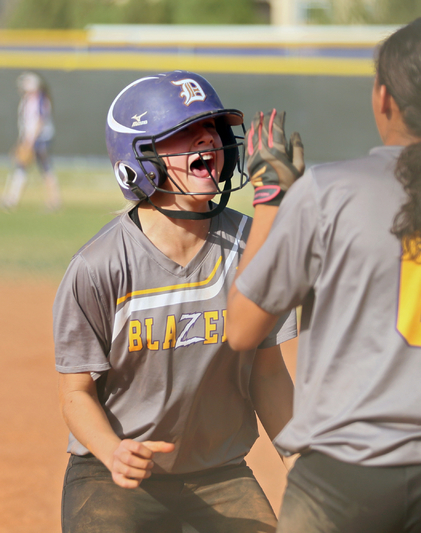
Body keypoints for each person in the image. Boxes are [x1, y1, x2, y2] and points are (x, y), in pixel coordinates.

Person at [227, 17, 421, 533]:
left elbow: (242, 329)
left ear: (384, 97)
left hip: (344, 482)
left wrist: (269, 199)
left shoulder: (328, 193)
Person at [53, 70, 296, 533]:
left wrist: (304, 465)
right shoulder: (99, 266)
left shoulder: (254, 246)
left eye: (213, 128)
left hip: (218, 474)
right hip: (114, 474)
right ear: (139, 162)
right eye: (183, 133)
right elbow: (75, 394)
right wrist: (112, 451)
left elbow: (269, 375)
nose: (206, 138)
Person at [2, 71, 61, 211]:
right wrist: (22, 141)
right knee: (23, 168)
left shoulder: (40, 100)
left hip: (40, 140)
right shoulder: (27, 101)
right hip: (30, 139)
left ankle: (54, 201)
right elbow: (25, 125)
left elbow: (39, 122)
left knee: (45, 169)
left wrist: (29, 142)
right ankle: (12, 199)